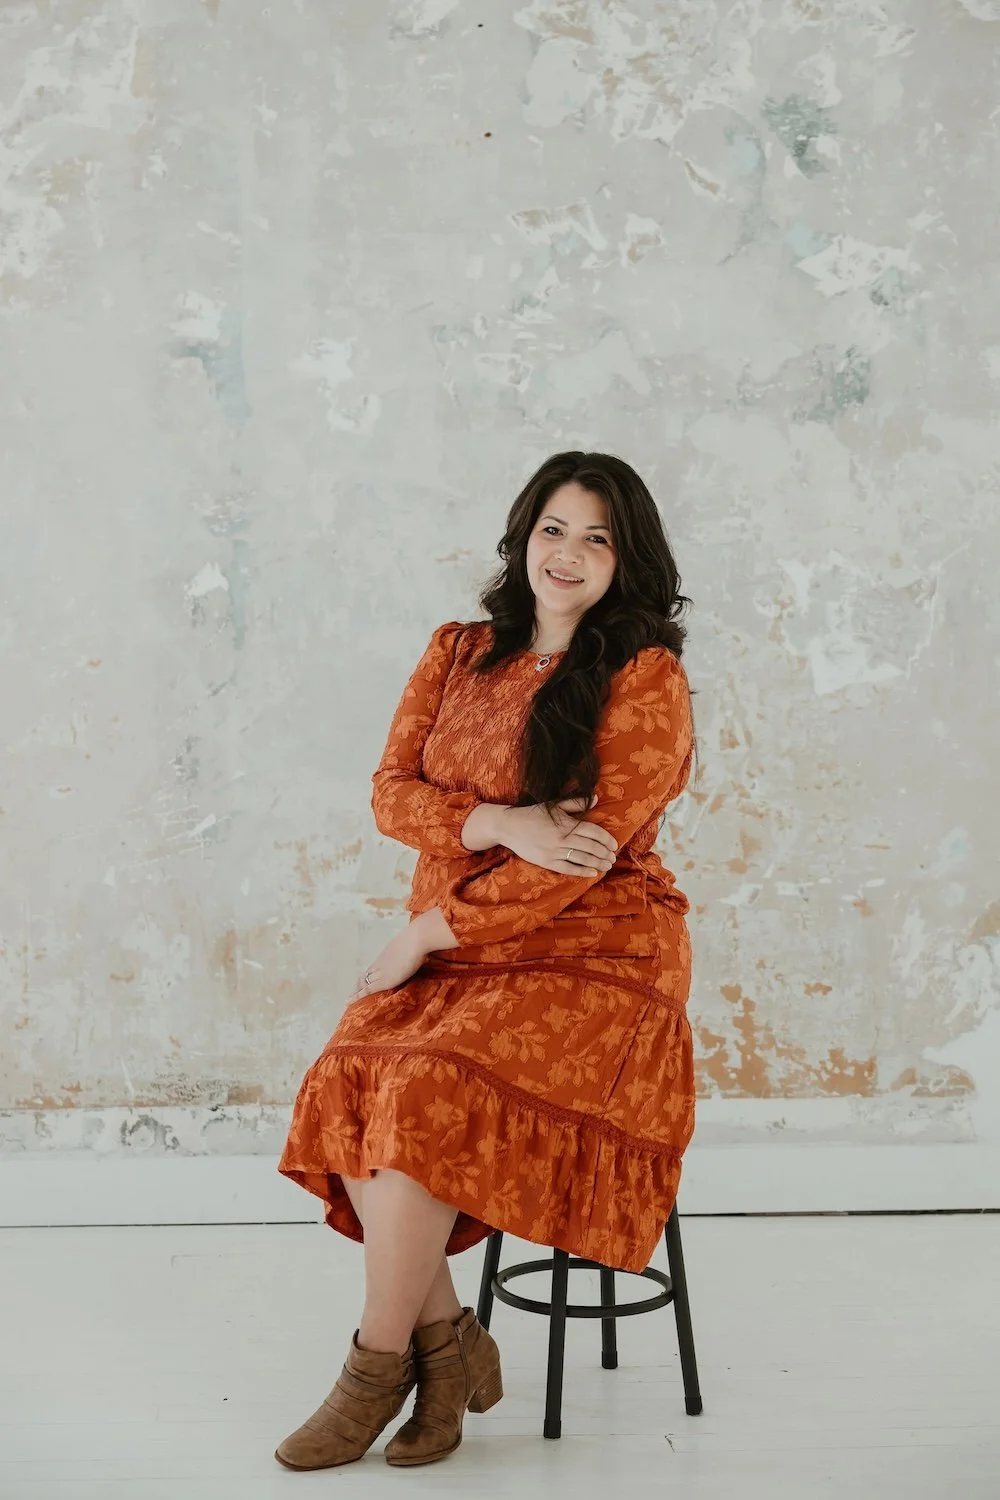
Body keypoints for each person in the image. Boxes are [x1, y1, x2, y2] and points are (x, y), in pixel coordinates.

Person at [275, 450, 698, 1471]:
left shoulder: (644, 677)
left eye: (597, 537)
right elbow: (389, 795)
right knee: (354, 1072)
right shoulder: (457, 649)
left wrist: (426, 933)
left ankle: (374, 1372)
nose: (569, 553)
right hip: (461, 936)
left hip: (593, 953)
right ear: (524, 536)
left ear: (624, 559)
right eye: (555, 527)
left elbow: (578, 863)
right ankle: (451, 1348)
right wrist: (498, 821)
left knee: (419, 1089)